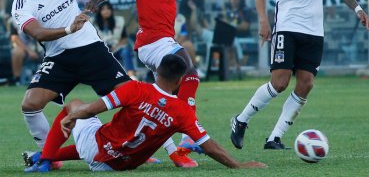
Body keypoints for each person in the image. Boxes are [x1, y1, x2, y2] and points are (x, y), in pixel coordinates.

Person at [85, 0, 247, 167]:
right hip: (154, 41)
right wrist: (93, 3)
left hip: (157, 44)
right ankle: (189, 137)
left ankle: (174, 152)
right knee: (189, 72)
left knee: (160, 102)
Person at [230, 0, 369, 151]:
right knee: (280, 83)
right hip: (286, 28)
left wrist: (358, 9)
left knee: (306, 84)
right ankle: (241, 120)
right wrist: (264, 21)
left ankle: (274, 137)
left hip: (315, 31)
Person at [23, 54, 267, 172]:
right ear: (180, 80)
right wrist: (237, 165)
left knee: (74, 103)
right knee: (102, 138)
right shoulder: (182, 112)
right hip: (115, 166)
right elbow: (209, 145)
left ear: (156, 72)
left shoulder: (135, 89)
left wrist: (72, 115)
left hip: (99, 149)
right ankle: (45, 155)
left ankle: (45, 160)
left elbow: (92, 109)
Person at [11, 0, 132, 168]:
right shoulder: (21, 4)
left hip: (91, 49)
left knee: (132, 96)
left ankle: (137, 145)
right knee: (30, 104)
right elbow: (38, 33)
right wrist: (68, 29)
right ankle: (49, 154)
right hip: (60, 58)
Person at [92, 1, 137, 79]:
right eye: (103, 9)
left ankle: (131, 75)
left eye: (108, 9)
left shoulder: (119, 21)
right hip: (101, 51)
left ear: (112, 10)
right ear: (99, 11)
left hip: (116, 49)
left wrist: (116, 47)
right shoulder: (93, 23)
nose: (106, 11)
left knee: (125, 50)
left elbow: (124, 38)